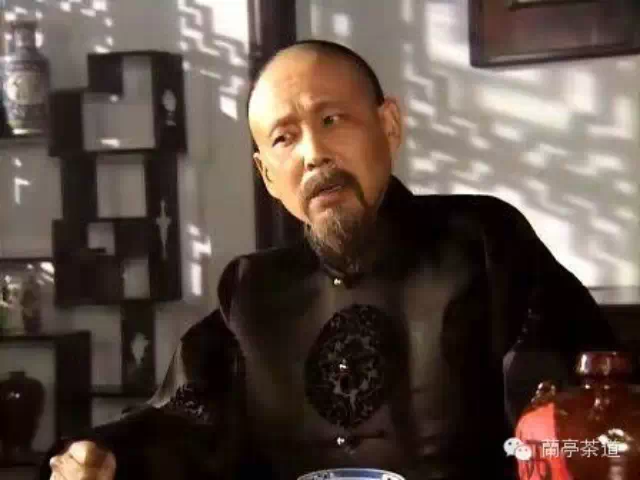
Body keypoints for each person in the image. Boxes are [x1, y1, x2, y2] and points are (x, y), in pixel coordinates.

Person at [44, 40, 619, 480]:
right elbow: (183, 421)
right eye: (284, 138)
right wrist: (107, 456)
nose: (314, 154)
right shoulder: (251, 290)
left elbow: (585, 411)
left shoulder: (483, 243)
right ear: (268, 176)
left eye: (331, 120)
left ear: (389, 125)